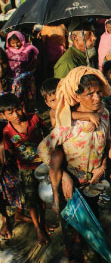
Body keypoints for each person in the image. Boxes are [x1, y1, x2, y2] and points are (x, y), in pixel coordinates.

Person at [37, 66, 111, 261]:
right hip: (71, 186)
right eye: (90, 93)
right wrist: (64, 176)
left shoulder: (105, 114)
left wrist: (104, 166)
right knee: (74, 235)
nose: (97, 98)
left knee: (93, 226)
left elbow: (108, 140)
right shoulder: (68, 124)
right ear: (77, 96)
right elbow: (42, 149)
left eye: (99, 92)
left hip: (93, 182)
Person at [0, 93, 49, 245]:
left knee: (44, 197)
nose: (16, 114)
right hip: (25, 170)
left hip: (42, 165)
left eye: (18, 109)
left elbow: (49, 133)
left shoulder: (34, 118)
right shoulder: (7, 132)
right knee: (31, 200)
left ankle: (42, 222)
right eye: (10, 112)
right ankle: (38, 228)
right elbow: (8, 152)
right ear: (3, 115)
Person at [5, 31, 39, 111]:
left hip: (28, 79)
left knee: (28, 99)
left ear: (22, 40)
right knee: (16, 100)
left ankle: (29, 115)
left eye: (18, 42)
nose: (16, 45)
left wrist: (29, 72)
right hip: (13, 82)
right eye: (13, 43)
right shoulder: (6, 53)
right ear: (8, 43)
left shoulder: (29, 50)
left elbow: (35, 64)